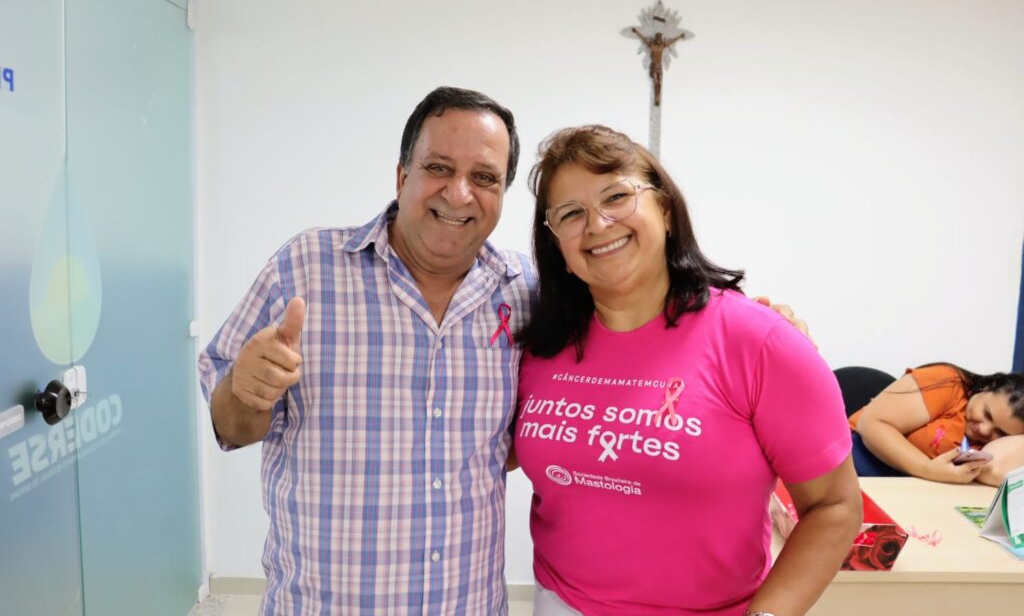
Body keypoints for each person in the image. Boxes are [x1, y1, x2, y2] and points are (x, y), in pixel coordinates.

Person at [198, 87, 813, 615]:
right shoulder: (305, 268)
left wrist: (762, 329)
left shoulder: (528, 294)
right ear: (401, 176)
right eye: (439, 167)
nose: (459, 193)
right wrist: (247, 393)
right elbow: (230, 425)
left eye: (485, 178)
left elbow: (629, 315)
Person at [514, 125, 862, 616]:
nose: (597, 223)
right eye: (571, 213)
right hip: (559, 604)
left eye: (616, 196)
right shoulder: (539, 345)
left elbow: (835, 506)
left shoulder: (760, 341)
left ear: (665, 210)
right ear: (557, 248)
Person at [849, 363, 1024, 485]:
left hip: (909, 489)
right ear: (987, 387)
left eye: (1001, 433)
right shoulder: (949, 383)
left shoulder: (997, 444)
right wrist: (926, 469)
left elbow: (996, 472)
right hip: (856, 463)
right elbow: (871, 423)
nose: (984, 430)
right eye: (987, 413)